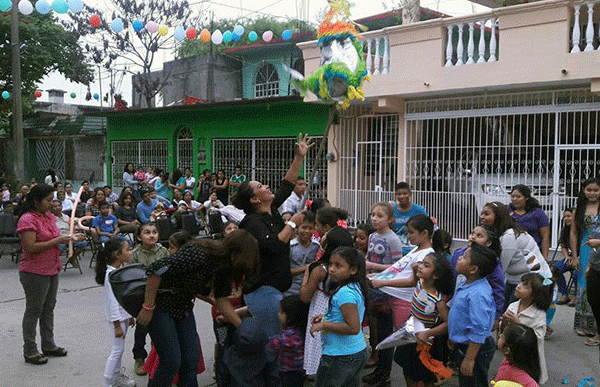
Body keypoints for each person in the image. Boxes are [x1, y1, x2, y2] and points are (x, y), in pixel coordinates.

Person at [136, 230, 260, 386]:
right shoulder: (200, 254)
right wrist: (148, 307)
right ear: (235, 252)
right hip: (161, 305)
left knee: (190, 360)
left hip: (183, 306)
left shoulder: (224, 268)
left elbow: (221, 301)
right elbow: (156, 270)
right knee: (171, 361)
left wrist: (242, 328)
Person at [232, 133, 313, 338]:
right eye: (260, 186)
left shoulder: (272, 210)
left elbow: (286, 185)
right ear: (254, 200)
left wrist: (299, 157)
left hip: (277, 288)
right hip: (263, 290)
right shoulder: (252, 223)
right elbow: (274, 246)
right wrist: (293, 222)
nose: (266, 186)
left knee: (279, 336)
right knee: (273, 338)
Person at [16, 184, 84, 364]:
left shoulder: (48, 217)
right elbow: (30, 247)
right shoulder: (27, 219)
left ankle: (48, 344)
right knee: (34, 310)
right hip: (34, 272)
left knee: (48, 309)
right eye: (48, 200)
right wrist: (57, 240)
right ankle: (30, 350)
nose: (51, 203)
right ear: (36, 201)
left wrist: (72, 237)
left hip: (52, 268)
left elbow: (58, 236)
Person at [366, 214, 436, 387]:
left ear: (425, 233)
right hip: (401, 302)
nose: (408, 237)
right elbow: (398, 269)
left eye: (411, 233)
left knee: (412, 354)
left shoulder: (427, 254)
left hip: (408, 305)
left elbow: (413, 280)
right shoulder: (417, 249)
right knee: (407, 355)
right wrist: (380, 276)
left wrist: (383, 281)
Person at [300, 209, 354, 378]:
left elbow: (305, 297)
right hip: (341, 316)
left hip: (320, 314)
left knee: (321, 354)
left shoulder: (320, 269)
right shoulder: (351, 269)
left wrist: (307, 275)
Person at [310, 246, 368, 387]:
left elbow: (353, 327)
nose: (332, 269)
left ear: (353, 270)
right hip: (354, 351)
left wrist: (324, 325)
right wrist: (326, 318)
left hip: (340, 356)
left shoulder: (345, 293)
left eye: (338, 265)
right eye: (330, 264)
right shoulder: (353, 287)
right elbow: (347, 317)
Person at [394, 252, 454, 387]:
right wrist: (416, 268)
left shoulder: (437, 299)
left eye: (426, 265)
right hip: (412, 331)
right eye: (421, 262)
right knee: (408, 369)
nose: (420, 266)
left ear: (436, 275)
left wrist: (427, 333)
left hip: (426, 340)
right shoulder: (420, 282)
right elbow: (415, 277)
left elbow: (448, 324)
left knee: (425, 376)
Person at [480, 202, 551, 311]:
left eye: (486, 214)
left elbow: (499, 268)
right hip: (514, 280)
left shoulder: (509, 236)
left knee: (511, 315)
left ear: (498, 217)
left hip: (535, 281)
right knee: (504, 312)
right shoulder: (496, 233)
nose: (482, 217)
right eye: (482, 213)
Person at [448, 244, 498, 387]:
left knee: (474, 381)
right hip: (465, 344)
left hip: (476, 348)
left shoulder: (478, 294)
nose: (458, 259)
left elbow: (479, 328)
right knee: (466, 381)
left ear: (473, 269)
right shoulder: (466, 283)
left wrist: (470, 359)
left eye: (463, 257)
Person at [95, 238, 136, 387]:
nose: (130, 252)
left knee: (120, 348)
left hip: (122, 316)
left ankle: (116, 378)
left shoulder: (117, 271)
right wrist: (117, 325)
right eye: (127, 250)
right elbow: (112, 303)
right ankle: (108, 382)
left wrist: (129, 315)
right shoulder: (111, 275)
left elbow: (123, 298)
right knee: (117, 350)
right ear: (117, 254)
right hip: (117, 319)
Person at [130, 223, 168, 376]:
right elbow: (130, 275)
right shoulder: (135, 253)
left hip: (161, 295)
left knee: (162, 329)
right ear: (139, 237)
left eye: (154, 232)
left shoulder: (163, 251)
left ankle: (159, 359)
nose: (152, 235)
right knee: (141, 329)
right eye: (147, 233)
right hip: (142, 297)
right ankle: (139, 358)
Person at [501, 273, 552, 384]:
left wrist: (518, 323)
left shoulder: (538, 314)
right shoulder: (513, 306)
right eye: (520, 283)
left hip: (529, 359)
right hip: (513, 356)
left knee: (527, 381)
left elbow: (537, 338)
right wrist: (504, 322)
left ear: (534, 295)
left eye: (525, 286)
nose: (518, 286)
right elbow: (505, 331)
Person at [451, 225, 505, 327]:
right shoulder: (458, 254)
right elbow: (451, 280)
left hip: (477, 308)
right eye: (472, 233)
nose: (473, 237)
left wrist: (496, 316)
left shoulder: (492, 262)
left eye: (479, 236)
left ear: (488, 242)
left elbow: (498, 290)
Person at [570, 177, 600, 341]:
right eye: (589, 190)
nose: (592, 193)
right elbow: (574, 233)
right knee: (584, 284)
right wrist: (574, 256)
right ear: (583, 191)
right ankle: (585, 324)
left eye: (596, 190)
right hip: (586, 247)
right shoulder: (579, 209)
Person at [268, 295, 310, 387]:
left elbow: (272, 344)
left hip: (289, 373)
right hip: (300, 371)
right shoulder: (303, 330)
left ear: (290, 316)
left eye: (281, 312)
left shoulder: (290, 337)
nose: (278, 314)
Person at [509, 185, 550, 260]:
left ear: (526, 198)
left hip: (533, 254)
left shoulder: (537, 213)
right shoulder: (507, 212)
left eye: (518, 197)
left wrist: (545, 258)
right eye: (512, 196)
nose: (515, 199)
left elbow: (545, 236)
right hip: (512, 254)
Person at [285, 211, 319, 297]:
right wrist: (307, 267)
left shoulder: (316, 246)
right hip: (291, 291)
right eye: (303, 227)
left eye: (310, 228)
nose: (307, 231)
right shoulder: (290, 246)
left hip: (309, 292)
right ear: (297, 228)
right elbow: (287, 271)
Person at [365, 202, 403, 273]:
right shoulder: (372, 236)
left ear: (390, 219)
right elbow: (368, 258)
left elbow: (398, 266)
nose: (374, 219)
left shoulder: (393, 239)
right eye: (373, 215)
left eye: (380, 216)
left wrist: (372, 266)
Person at [392, 182, 428, 255]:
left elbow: (426, 228)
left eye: (405, 193)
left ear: (410, 194)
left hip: (414, 250)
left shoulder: (419, 210)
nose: (402, 196)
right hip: (396, 249)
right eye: (399, 194)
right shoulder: (392, 210)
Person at [51, 199, 86, 268]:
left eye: (59, 206)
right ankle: (55, 263)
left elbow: (72, 226)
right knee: (59, 248)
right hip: (59, 239)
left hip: (70, 237)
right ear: (51, 208)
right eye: (55, 206)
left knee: (83, 243)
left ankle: (72, 258)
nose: (57, 208)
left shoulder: (66, 217)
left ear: (62, 207)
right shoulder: (50, 219)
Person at [555, 207, 578, 306]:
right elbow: (563, 245)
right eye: (565, 217)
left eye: (569, 216)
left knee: (576, 273)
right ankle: (564, 294)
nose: (566, 219)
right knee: (556, 269)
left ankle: (577, 297)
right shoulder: (565, 230)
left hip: (581, 258)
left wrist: (576, 258)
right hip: (570, 257)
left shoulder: (581, 230)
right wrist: (567, 257)